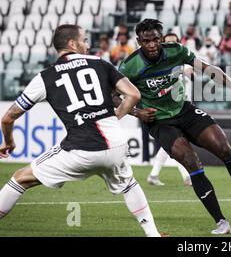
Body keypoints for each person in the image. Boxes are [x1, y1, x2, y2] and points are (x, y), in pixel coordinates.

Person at [117, 18, 231, 235]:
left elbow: (207, 68)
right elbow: (113, 96)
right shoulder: (129, 66)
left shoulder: (176, 51)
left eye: (156, 39)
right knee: (192, 162)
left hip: (184, 110)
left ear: (161, 38)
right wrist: (137, 112)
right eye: (146, 41)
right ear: (139, 41)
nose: (152, 45)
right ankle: (221, 221)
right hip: (159, 122)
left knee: (224, 149)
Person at [0, 24, 160, 237]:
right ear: (72, 44)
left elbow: (8, 117)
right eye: (84, 40)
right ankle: (153, 234)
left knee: (20, 178)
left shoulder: (45, 77)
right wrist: (114, 117)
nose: (88, 44)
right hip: (117, 144)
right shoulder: (99, 63)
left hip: (80, 150)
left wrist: (9, 142)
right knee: (129, 183)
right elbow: (133, 95)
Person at [146, 33, 192, 187]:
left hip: (182, 108)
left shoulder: (182, 60)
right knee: (177, 143)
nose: (171, 45)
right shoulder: (158, 67)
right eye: (168, 42)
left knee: (171, 145)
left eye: (174, 42)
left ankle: (154, 175)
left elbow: (191, 73)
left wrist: (188, 72)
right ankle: (187, 176)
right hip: (166, 111)